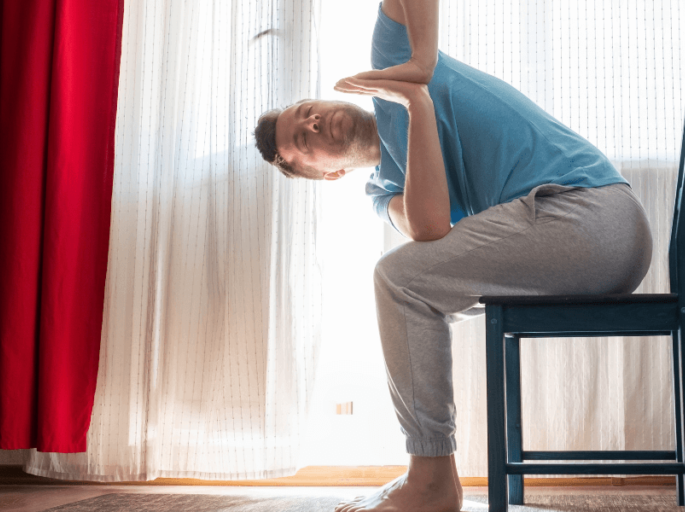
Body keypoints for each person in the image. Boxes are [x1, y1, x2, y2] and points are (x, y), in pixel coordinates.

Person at [253, 1, 653, 510]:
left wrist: (420, 65)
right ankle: (432, 476)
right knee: (410, 286)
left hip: (591, 214)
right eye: (301, 143)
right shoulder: (383, 193)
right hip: (577, 243)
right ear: (326, 175)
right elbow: (430, 226)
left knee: (399, 281)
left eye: (305, 112)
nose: (311, 124)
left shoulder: (391, 58)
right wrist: (418, 104)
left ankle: (429, 478)